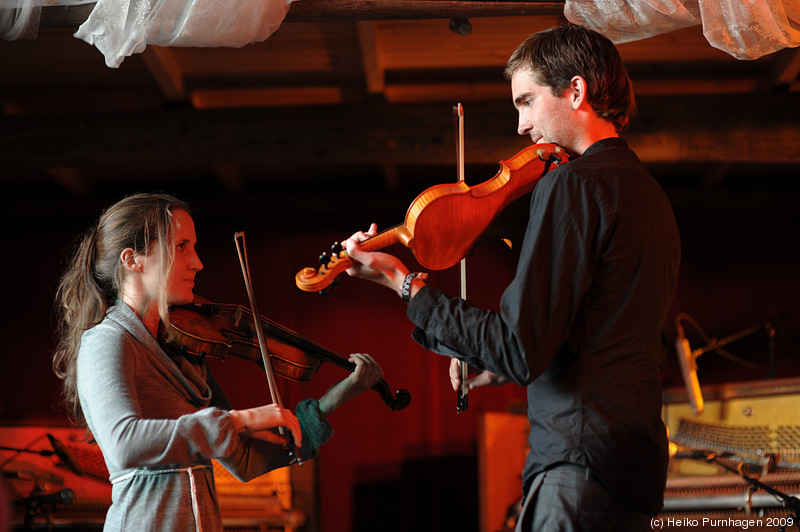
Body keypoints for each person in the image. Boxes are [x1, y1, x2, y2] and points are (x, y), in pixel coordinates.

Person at [342, 23, 680, 531]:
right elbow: (606, 336)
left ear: (575, 90)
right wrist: (491, 368)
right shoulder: (652, 196)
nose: (520, 125)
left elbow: (520, 348)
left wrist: (404, 285)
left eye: (526, 101)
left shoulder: (572, 186)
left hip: (577, 464)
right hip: (629, 470)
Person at [52, 192, 384, 532]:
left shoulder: (182, 352)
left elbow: (246, 459)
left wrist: (333, 399)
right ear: (132, 259)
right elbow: (124, 445)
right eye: (181, 246)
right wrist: (237, 420)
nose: (197, 262)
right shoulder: (108, 340)